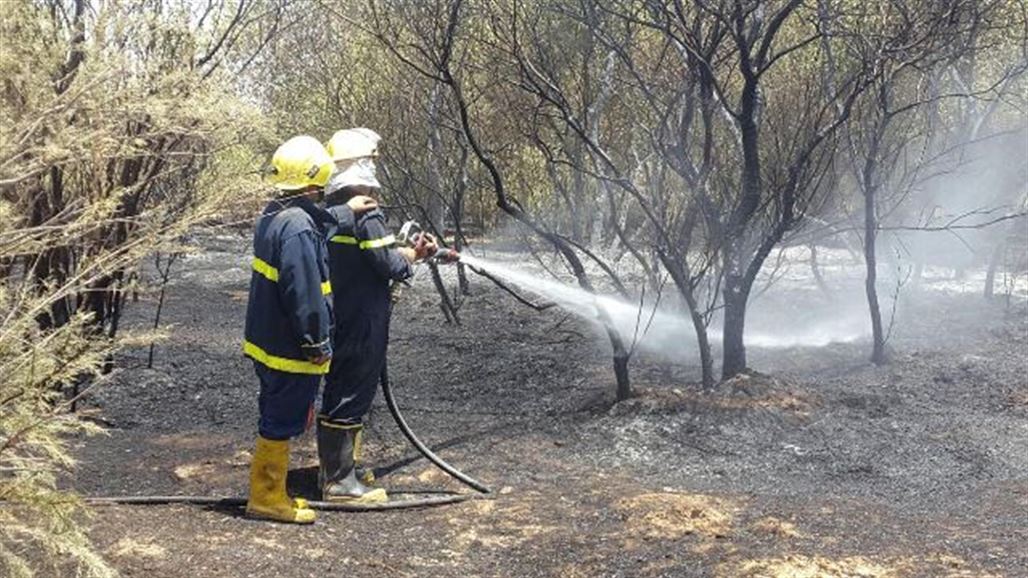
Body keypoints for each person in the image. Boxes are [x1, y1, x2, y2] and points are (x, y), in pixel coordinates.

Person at [242, 135, 376, 523]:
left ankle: (271, 491)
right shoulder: (299, 229)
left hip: (268, 341)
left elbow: (319, 222)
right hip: (290, 348)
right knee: (281, 419)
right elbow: (305, 293)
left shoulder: (276, 213)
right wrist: (317, 341)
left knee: (276, 413)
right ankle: (266, 498)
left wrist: (348, 211)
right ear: (316, 181)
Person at [315, 128, 436, 504]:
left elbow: (367, 253)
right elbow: (387, 263)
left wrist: (400, 251)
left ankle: (338, 469)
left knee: (339, 389)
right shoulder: (365, 210)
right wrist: (416, 255)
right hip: (363, 318)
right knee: (352, 391)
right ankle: (340, 483)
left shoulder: (329, 212)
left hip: (340, 313)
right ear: (364, 167)